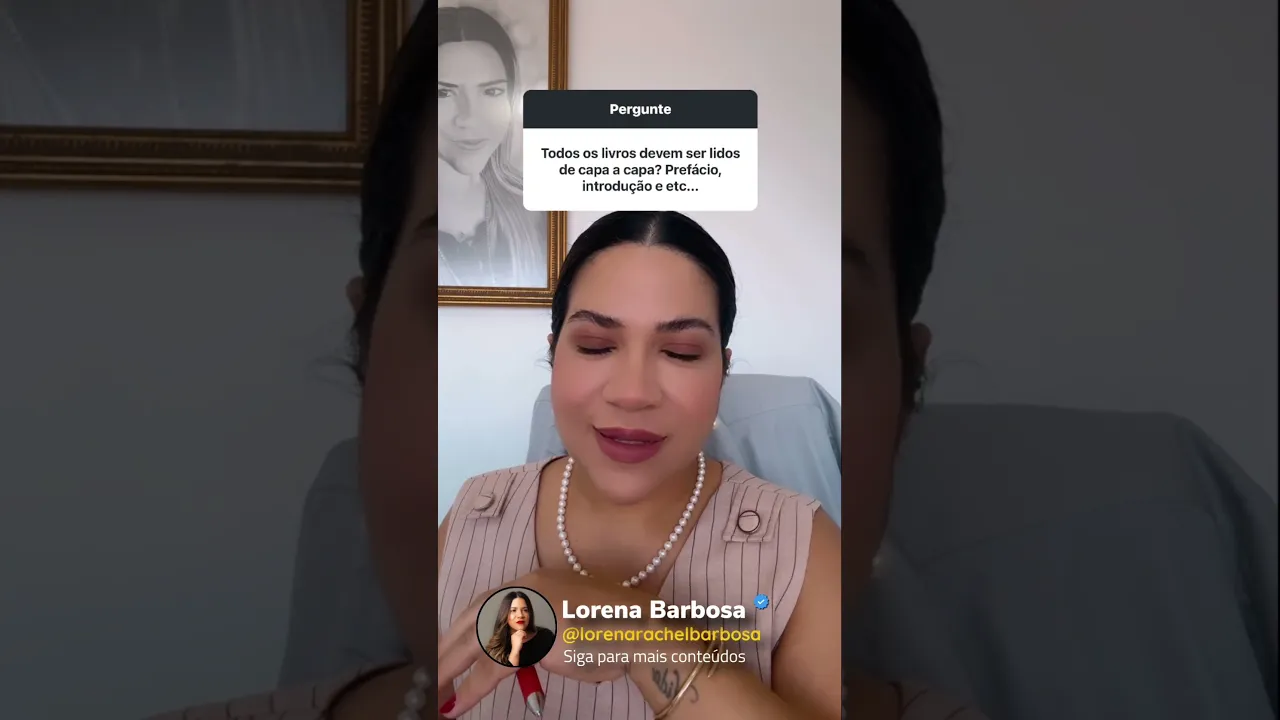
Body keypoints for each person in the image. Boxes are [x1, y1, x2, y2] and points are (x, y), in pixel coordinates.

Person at [146, 0, 991, 717]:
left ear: (905, 402)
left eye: (683, 343)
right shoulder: (483, 510)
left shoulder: (790, 526)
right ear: (368, 355)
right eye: (590, 338)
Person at [436, 5, 546, 288]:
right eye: (443, 92)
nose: (469, 117)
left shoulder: (538, 214)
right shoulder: (388, 220)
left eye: (491, 91)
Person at [482, 591, 555, 668]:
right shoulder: (496, 648)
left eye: (525, 610)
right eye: (513, 610)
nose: (520, 615)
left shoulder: (546, 636)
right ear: (505, 614)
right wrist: (515, 651)